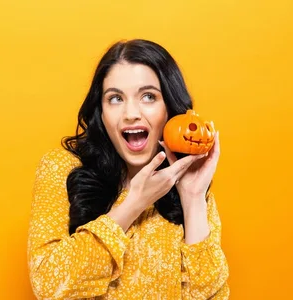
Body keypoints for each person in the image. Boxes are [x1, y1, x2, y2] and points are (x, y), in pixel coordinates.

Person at [27, 39, 230, 299]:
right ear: (100, 112)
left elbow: (213, 295)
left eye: (148, 97)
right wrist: (133, 204)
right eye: (115, 98)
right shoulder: (60, 168)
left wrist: (192, 199)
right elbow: (47, 284)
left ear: (170, 109)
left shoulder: (189, 181)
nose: (131, 113)